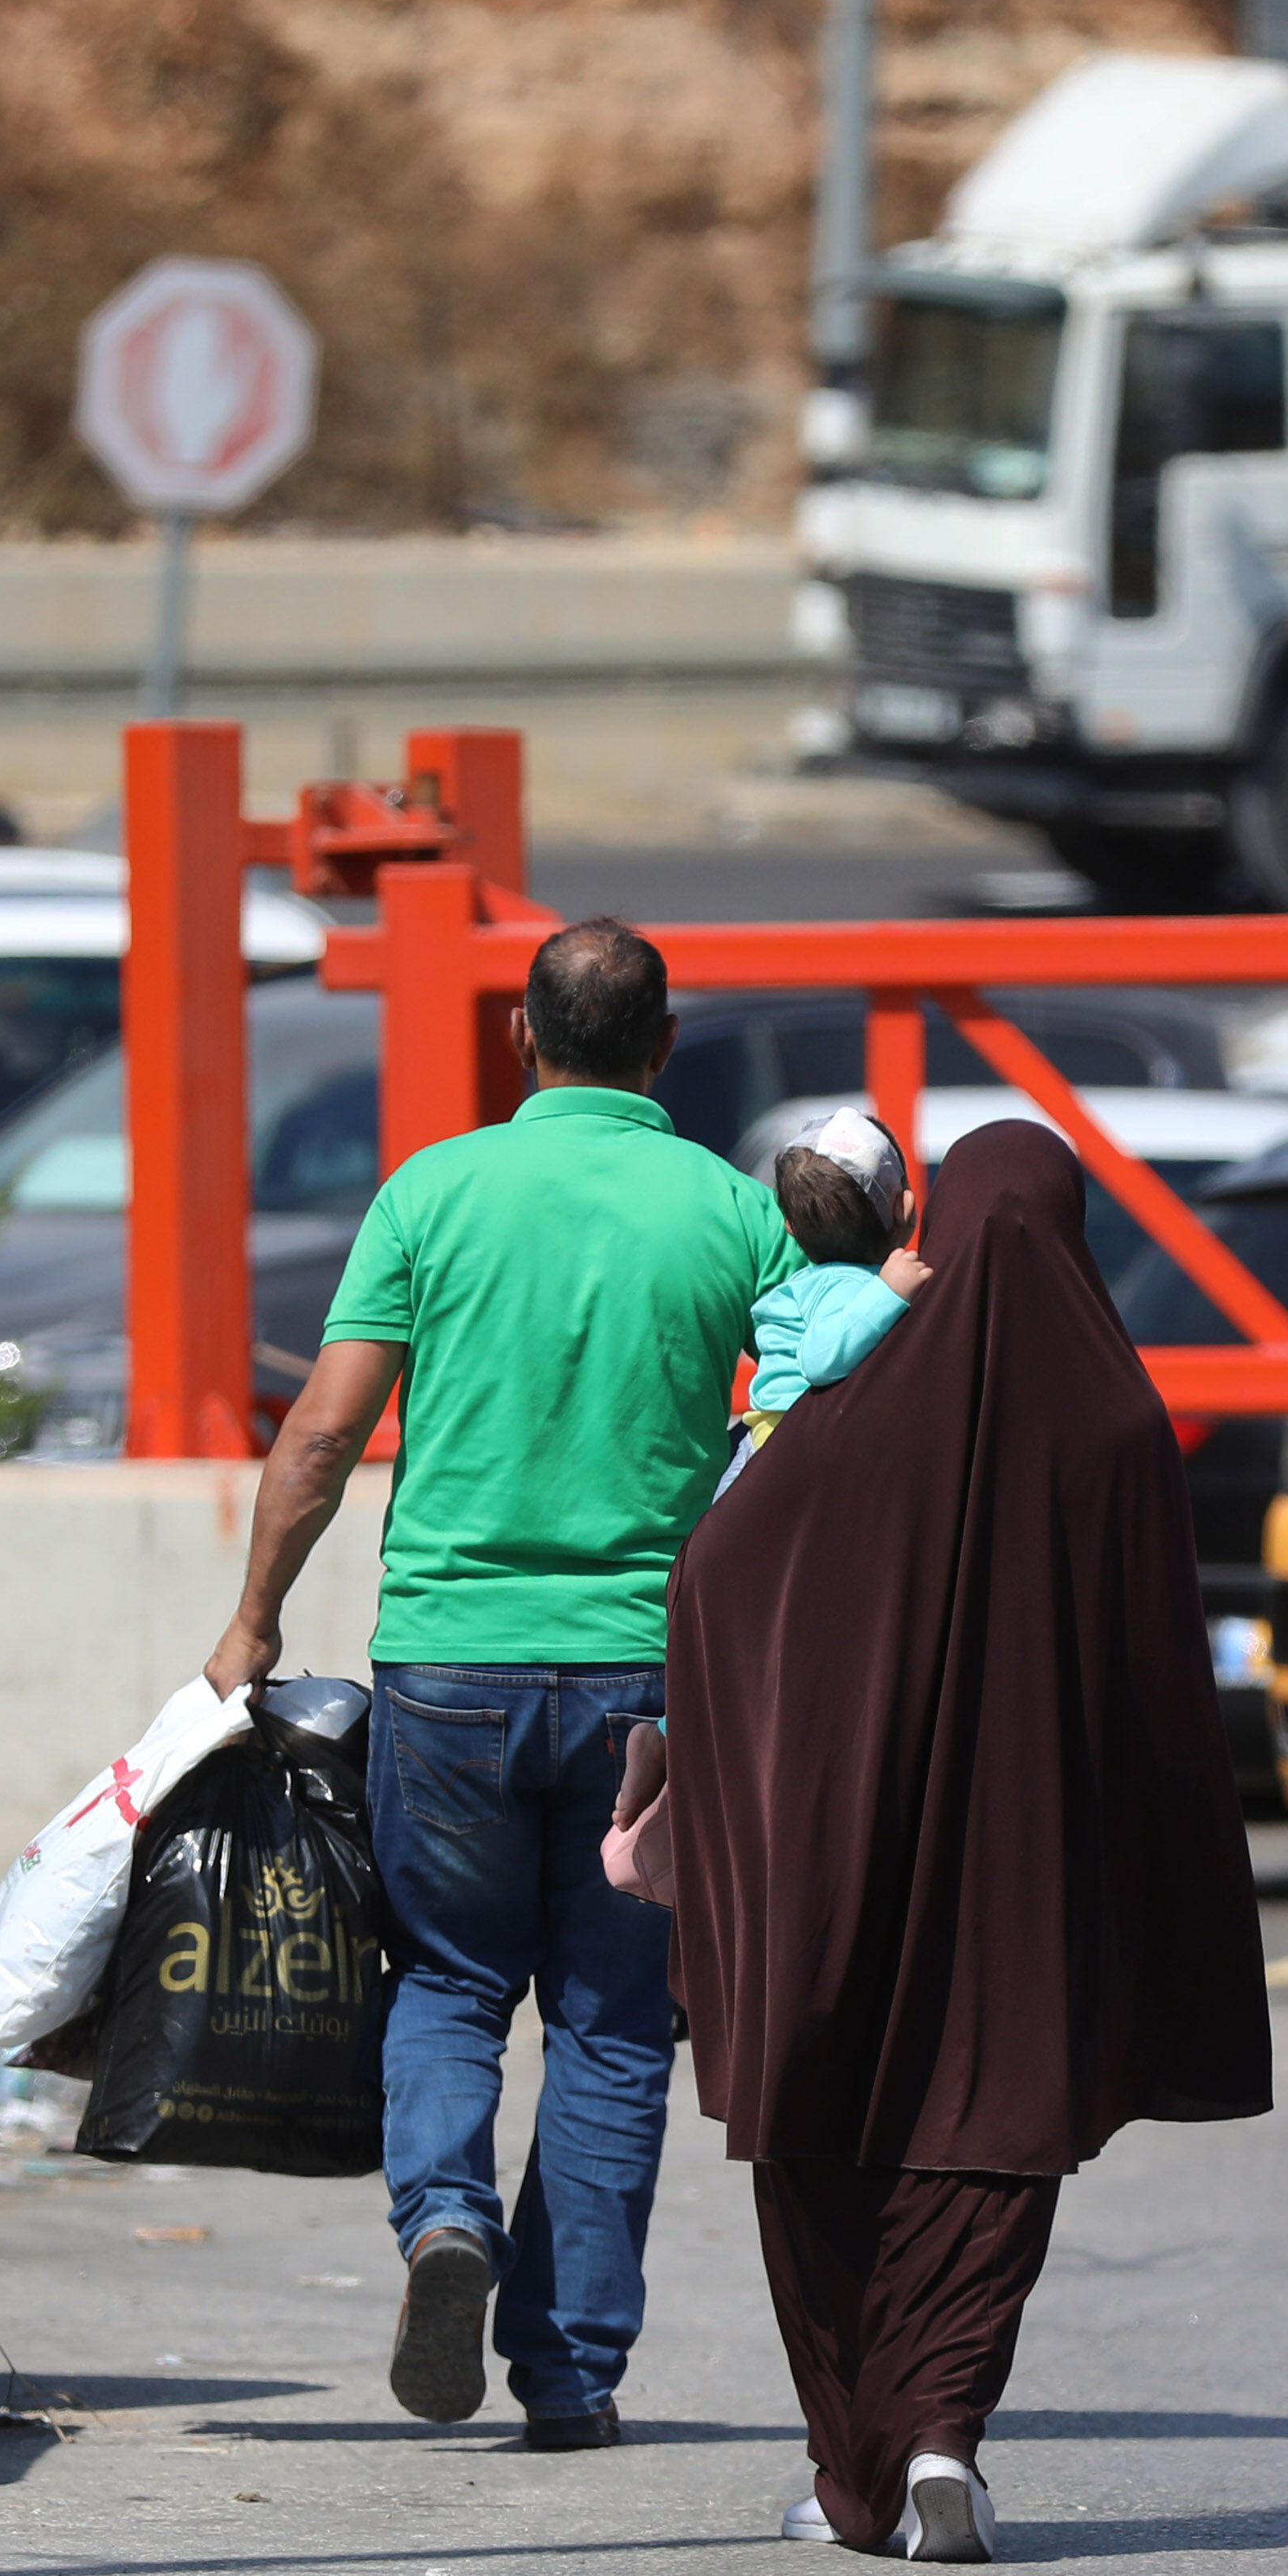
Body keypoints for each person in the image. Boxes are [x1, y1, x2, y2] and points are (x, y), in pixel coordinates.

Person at [204, 918, 799, 2451]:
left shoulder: (436, 1191)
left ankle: (445, 2222)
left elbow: (323, 1435)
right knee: (610, 2024)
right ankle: (572, 2375)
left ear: (519, 1043)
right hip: (647, 1684)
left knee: (453, 1979)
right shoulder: (735, 1214)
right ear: (665, 1049)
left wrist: (255, 1618)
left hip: (450, 1665)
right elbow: (816, 1431)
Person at [663, 1121, 1273, 2560]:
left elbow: (716, 1576)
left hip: (845, 1853)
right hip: (1028, 1866)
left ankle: (851, 2468)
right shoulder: (1118, 1419)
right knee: (994, 2126)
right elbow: (1153, 1675)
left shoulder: (858, 1412)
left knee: (822, 2122)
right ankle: (941, 2431)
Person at [723, 1109, 932, 1493]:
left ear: (789, 1227)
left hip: (771, 1445)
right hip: (789, 1449)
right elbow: (820, 1360)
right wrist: (888, 1293)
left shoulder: (809, 1285)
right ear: (906, 1207)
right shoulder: (855, 1288)